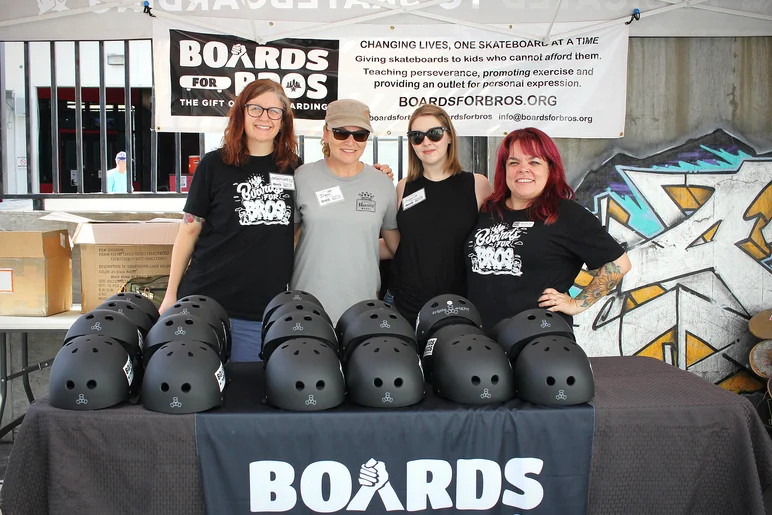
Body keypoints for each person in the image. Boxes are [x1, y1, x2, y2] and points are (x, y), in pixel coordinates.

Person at [159, 79, 301, 362]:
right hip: (204, 302)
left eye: (274, 111)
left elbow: (297, 227)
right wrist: (170, 294)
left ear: (284, 120)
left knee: (243, 396)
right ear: (241, 113)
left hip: (259, 309)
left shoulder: (294, 168)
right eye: (256, 108)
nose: (265, 118)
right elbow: (188, 231)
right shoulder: (214, 164)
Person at [465, 127, 632, 331]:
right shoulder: (488, 210)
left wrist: (577, 304)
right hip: (482, 338)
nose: (523, 169)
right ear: (504, 169)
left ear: (550, 169)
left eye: (534, 162)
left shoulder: (567, 215)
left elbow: (619, 263)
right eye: (514, 162)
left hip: (538, 340)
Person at [291, 99, 400, 325]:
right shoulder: (302, 177)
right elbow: (285, 241)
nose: (351, 141)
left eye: (360, 135)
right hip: (307, 306)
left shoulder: (382, 184)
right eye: (341, 133)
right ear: (326, 133)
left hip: (362, 308)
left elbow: (393, 246)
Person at [382, 104, 492, 328]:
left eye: (434, 133)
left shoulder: (478, 185)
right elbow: (400, 245)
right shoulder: (403, 187)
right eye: (417, 136)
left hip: (460, 307)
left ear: (449, 136)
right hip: (404, 305)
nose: (426, 142)